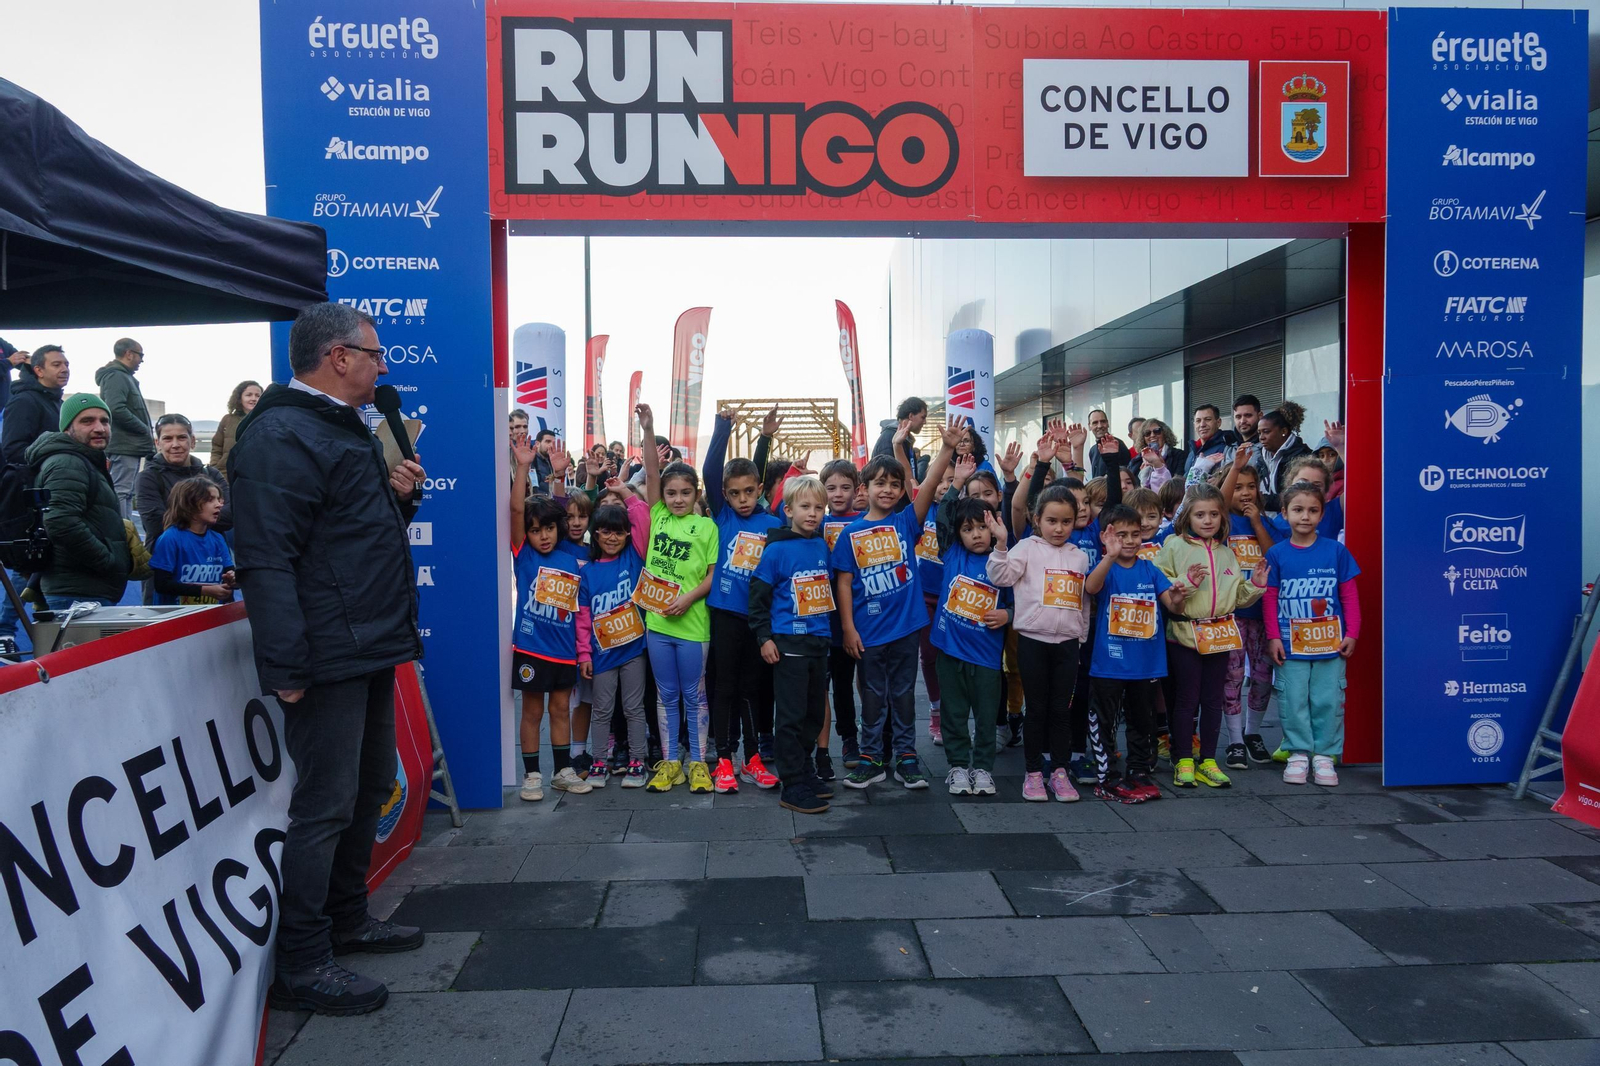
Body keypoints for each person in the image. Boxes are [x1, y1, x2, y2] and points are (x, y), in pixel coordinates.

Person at [229, 303, 427, 1016]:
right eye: (375, 354)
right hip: (327, 651)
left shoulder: (338, 427)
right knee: (325, 803)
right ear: (337, 357)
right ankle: (303, 962)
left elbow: (347, 536)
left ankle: (348, 918)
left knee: (369, 785)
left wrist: (399, 499)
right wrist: (284, 664)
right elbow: (267, 558)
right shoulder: (282, 434)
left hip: (368, 639)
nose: (383, 366)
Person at [835, 417, 958, 790]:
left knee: (904, 695)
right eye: (879, 483)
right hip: (868, 633)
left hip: (905, 629)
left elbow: (931, 484)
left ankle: (907, 756)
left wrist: (948, 449)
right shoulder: (850, 533)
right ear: (865, 488)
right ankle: (872, 758)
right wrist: (848, 628)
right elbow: (843, 582)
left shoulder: (907, 521)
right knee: (872, 696)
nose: (887, 490)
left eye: (893, 484)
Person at [1155, 483, 1264, 789]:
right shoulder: (1174, 546)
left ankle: (1209, 760)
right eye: (1200, 514)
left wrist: (1255, 584)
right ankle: (1184, 759)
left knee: (1213, 700)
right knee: (1187, 700)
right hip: (1185, 634)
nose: (1207, 520)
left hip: (1220, 636)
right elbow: (1159, 582)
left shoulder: (1227, 553)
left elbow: (1238, 597)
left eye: (1214, 514)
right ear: (1186, 515)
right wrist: (1186, 583)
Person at [988, 480, 1091, 802]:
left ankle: (1059, 772)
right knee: (1037, 710)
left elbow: (1083, 600)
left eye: (1066, 522)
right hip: (1032, 640)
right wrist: (1001, 544)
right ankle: (1033, 773)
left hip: (1067, 643)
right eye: (1051, 521)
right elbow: (1000, 577)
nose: (1059, 528)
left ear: (1075, 522)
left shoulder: (1079, 557)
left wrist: (1081, 634)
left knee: (1061, 710)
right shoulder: (1027, 548)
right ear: (1037, 520)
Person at [635, 403, 719, 794]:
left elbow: (711, 578)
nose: (678, 498)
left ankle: (698, 762)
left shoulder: (706, 526)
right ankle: (672, 762)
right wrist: (648, 429)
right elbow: (652, 470)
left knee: (693, 694)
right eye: (671, 493)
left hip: (692, 624)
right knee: (666, 695)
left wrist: (687, 600)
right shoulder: (659, 516)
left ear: (696, 493)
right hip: (656, 624)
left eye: (686, 492)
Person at [1254, 480, 1361, 786]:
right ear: (1284, 513)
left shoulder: (1336, 552)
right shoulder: (1276, 554)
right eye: (1298, 510)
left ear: (1322, 514)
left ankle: (1325, 755)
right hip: (1291, 645)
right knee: (1293, 699)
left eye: (1313, 510)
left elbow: (1349, 596)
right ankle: (1298, 752)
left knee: (1328, 699)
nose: (1305, 516)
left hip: (1331, 644)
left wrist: (1352, 632)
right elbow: (1270, 597)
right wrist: (1274, 637)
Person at [1083, 503, 1187, 803]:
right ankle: (1106, 774)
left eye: (1135, 534)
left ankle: (1139, 769)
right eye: (1122, 535)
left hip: (1146, 664)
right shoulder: (1107, 567)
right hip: (1110, 663)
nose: (1129, 541)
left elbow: (1172, 605)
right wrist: (1110, 556)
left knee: (1143, 721)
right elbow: (1091, 587)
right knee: (1105, 720)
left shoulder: (1149, 570)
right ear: (1106, 536)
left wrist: (1178, 598)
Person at [704, 405, 784, 793]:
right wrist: (723, 427)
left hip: (759, 621)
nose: (743, 499)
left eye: (749, 492)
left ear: (759, 489)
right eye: (734, 494)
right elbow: (710, 471)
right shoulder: (722, 517)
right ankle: (723, 759)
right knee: (725, 689)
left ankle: (752, 758)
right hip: (724, 617)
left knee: (753, 689)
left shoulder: (772, 524)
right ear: (724, 496)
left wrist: (765, 439)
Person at [748, 474, 837, 814]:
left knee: (814, 715)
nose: (813, 514)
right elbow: (758, 599)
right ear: (788, 510)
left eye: (819, 507)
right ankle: (792, 783)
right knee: (791, 717)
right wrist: (764, 638)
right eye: (805, 507)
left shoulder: (819, 545)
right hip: (788, 645)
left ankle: (805, 769)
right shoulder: (776, 551)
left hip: (818, 644)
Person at [509, 435, 590, 801]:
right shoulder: (524, 555)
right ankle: (531, 775)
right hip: (531, 648)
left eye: (549, 528)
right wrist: (523, 467)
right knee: (532, 711)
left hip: (564, 651)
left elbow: (558, 505)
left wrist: (558, 477)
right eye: (536, 530)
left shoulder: (570, 556)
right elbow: (516, 512)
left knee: (560, 708)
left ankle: (562, 771)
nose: (543, 536)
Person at [933, 499, 1012, 796]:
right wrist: (957, 482)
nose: (977, 534)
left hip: (987, 659)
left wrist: (1008, 615)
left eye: (983, 527)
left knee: (986, 715)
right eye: (968, 529)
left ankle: (982, 768)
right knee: (953, 715)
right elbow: (943, 517)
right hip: (950, 653)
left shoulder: (1003, 561)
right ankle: (957, 766)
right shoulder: (952, 554)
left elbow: (1021, 601)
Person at [576, 484, 653, 788]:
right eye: (605, 532)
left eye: (618, 532)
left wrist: (626, 492)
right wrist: (584, 654)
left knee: (634, 708)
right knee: (602, 710)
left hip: (634, 650)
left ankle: (637, 761)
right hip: (601, 655)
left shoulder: (633, 559)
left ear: (627, 535)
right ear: (595, 535)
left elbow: (642, 517)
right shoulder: (589, 573)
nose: (612, 537)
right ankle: (598, 762)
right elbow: (582, 619)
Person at [27, 394, 132, 611]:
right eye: (87, 421)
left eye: (104, 421)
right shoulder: (68, 462)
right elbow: (60, 522)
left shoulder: (85, 461)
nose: (99, 428)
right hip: (77, 593)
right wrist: (107, 561)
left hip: (84, 589)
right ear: (67, 428)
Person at [1220, 461, 1277, 768]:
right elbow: (1218, 499)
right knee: (1231, 676)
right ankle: (1234, 740)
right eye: (1237, 487)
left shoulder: (1265, 523)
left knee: (1262, 675)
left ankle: (1253, 732)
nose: (1244, 493)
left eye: (1250, 487)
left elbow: (1276, 556)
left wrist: (1257, 524)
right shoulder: (1222, 522)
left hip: (1263, 613)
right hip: (1232, 613)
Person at [819, 459, 864, 767]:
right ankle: (836, 741)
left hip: (859, 616)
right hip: (823, 619)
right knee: (831, 685)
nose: (837, 494)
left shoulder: (865, 521)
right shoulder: (814, 522)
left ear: (857, 490)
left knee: (857, 683)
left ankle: (860, 739)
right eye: (830, 488)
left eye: (845, 487)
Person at [137, 413, 231, 552]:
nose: (175, 445)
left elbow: (230, 515)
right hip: (169, 559)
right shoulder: (148, 478)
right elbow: (156, 524)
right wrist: (206, 516)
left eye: (181, 438)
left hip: (212, 560)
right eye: (168, 439)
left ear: (192, 441)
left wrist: (180, 516)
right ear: (158, 443)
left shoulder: (211, 474)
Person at [149, 477, 235, 605]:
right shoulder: (170, 538)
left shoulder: (218, 538)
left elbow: (229, 572)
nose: (219, 504)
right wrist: (204, 590)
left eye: (218, 499)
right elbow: (162, 585)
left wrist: (233, 579)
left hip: (210, 617)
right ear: (189, 504)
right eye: (210, 500)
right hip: (175, 617)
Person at [95, 338, 154, 521]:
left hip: (130, 446)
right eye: (140, 355)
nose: (141, 360)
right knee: (122, 492)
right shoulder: (117, 376)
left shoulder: (123, 377)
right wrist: (143, 428)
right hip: (124, 446)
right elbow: (115, 408)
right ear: (129, 354)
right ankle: (122, 533)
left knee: (126, 492)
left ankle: (126, 532)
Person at [2, 345, 68, 466]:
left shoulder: (60, 403)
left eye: (66, 364)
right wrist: (57, 456)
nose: (65, 369)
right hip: (37, 481)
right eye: (56, 365)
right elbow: (13, 450)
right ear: (39, 371)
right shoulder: (23, 402)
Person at [1251, 404, 1312, 512]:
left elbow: (1293, 497)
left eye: (1266, 432)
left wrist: (1258, 499)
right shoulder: (1261, 457)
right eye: (1259, 433)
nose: (1261, 438)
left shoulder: (1302, 457)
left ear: (1284, 431)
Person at [209, 380, 262, 472]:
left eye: (257, 396)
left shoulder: (266, 420)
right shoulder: (227, 419)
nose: (253, 398)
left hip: (254, 475)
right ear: (239, 398)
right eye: (249, 395)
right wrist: (215, 467)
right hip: (225, 474)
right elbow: (217, 446)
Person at [1183, 403, 1239, 485]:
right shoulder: (1192, 453)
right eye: (1198, 421)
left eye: (1208, 419)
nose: (1202, 425)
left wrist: (1220, 479)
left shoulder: (1228, 447)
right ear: (1194, 425)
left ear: (1218, 422)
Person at [872, 396, 928, 464]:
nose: (925, 422)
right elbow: (887, 473)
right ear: (911, 416)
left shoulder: (904, 440)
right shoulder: (889, 439)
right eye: (923, 417)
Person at [1135, 419, 1185, 490]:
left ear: (1165, 434)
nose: (1152, 435)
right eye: (1147, 433)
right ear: (1143, 438)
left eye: (1157, 431)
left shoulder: (1179, 455)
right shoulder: (1136, 461)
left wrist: (1161, 466)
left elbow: (1179, 483)